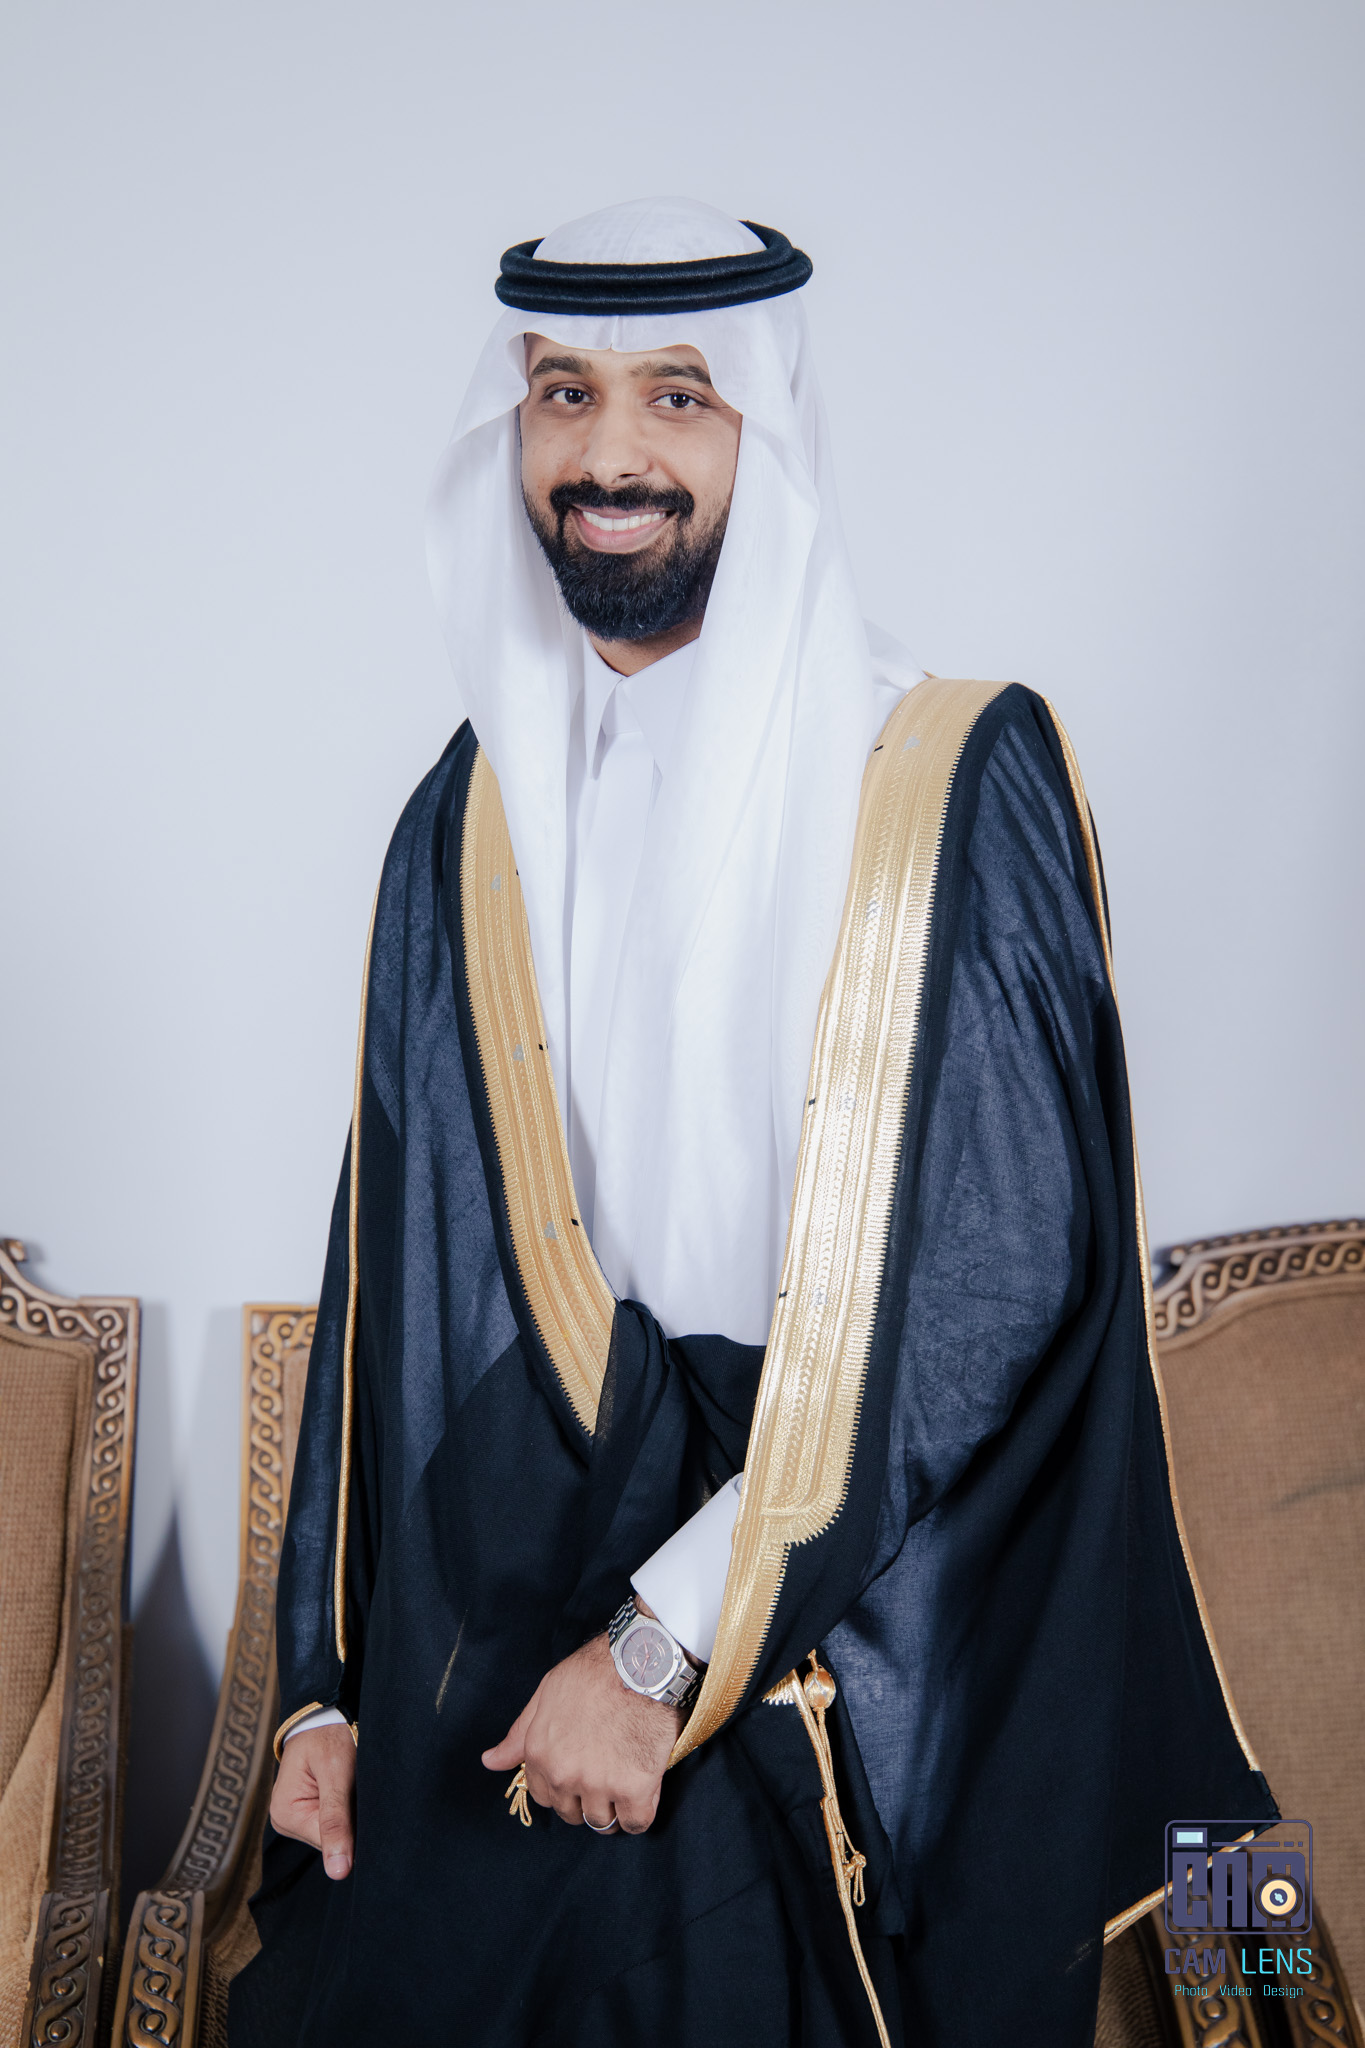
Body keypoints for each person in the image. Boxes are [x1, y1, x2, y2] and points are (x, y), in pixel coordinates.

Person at [230, 198, 1275, 2048]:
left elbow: (991, 1288)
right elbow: (390, 1265)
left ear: (766, 434)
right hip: (536, 1551)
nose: (609, 454)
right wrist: (329, 1689)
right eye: (564, 394)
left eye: (679, 396)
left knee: (684, 1954)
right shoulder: (461, 820)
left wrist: (660, 1643)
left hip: (859, 1582)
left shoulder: (949, 774)